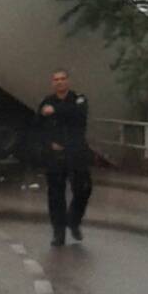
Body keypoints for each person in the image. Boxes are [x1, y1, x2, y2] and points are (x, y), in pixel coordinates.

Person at [38, 68, 92, 247]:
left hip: (76, 153)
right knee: (55, 195)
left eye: (62, 79)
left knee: (83, 189)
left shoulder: (79, 99)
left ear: (68, 81)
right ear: (52, 83)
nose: (59, 82)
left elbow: (77, 114)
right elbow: (37, 126)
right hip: (55, 154)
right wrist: (48, 144)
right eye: (56, 79)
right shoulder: (46, 101)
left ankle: (74, 220)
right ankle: (58, 232)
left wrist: (54, 111)